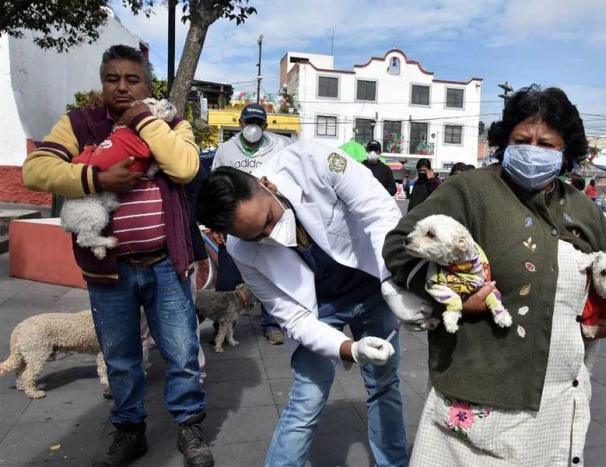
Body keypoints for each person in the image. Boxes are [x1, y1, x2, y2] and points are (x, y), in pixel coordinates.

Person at [383, 85, 606, 466]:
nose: (533, 150)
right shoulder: (471, 191)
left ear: (565, 153)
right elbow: (401, 246)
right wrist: (453, 298)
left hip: (557, 400)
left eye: (546, 144)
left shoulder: (582, 208)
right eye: (522, 140)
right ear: (504, 142)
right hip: (478, 396)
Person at [22, 45, 213, 467]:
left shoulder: (171, 124)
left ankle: (190, 427)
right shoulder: (80, 124)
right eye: (113, 79)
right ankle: (130, 432)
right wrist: (96, 177)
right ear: (102, 83)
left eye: (132, 79)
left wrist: (143, 120)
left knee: (182, 352)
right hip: (109, 272)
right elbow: (35, 170)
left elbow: (185, 168)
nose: (122, 87)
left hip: (166, 264)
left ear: (147, 85)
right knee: (121, 357)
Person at [196, 141, 408, 467]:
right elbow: (294, 319)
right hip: (319, 307)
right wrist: (350, 349)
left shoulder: (313, 161)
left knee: (384, 385)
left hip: (372, 286)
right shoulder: (241, 251)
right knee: (307, 397)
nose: (272, 234)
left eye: (268, 218)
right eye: (257, 236)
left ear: (267, 184)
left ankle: (392, 463)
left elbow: (379, 213)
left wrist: (395, 280)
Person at [210, 103, 289, 345]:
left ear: (265, 125)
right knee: (225, 281)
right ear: (240, 123)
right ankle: (222, 324)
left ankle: (272, 324)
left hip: (267, 226)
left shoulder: (280, 147)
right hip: (233, 227)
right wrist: (215, 224)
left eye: (258, 123)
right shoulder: (225, 150)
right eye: (249, 122)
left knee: (272, 276)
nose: (253, 128)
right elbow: (215, 187)